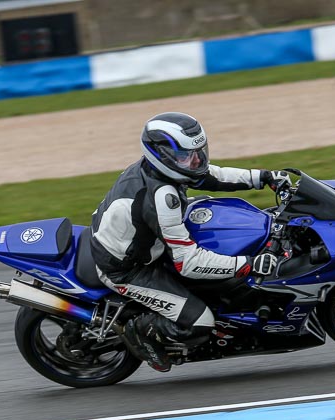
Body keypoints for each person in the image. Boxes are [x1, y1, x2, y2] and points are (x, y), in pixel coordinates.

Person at [90, 112, 292, 372]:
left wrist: (262, 177)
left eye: (199, 151)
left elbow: (212, 175)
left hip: (144, 242)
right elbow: (188, 263)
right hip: (128, 269)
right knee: (199, 321)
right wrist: (250, 264)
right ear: (161, 155)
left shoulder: (164, 172)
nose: (196, 160)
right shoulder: (162, 196)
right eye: (187, 155)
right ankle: (138, 331)